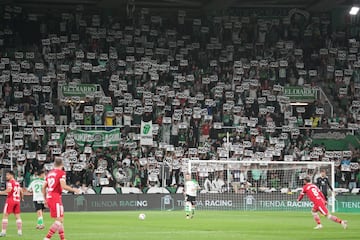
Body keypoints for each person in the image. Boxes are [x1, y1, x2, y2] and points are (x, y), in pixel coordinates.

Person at [42, 157, 80, 240]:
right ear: (62, 164)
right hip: (55, 197)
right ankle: (47, 238)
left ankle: (63, 239)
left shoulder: (49, 173)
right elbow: (63, 186)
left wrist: (45, 199)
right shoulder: (61, 173)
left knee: (60, 220)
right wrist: (74, 190)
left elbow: (43, 187)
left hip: (50, 197)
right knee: (59, 220)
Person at [0, 170, 24, 237]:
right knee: (18, 216)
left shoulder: (10, 182)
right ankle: (20, 232)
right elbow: (21, 191)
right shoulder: (17, 183)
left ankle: (3, 232)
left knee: (5, 215)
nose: (6, 176)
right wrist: (22, 198)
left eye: (7, 175)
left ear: (11, 175)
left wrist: (1, 192)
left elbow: (9, 190)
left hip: (10, 200)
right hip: (17, 201)